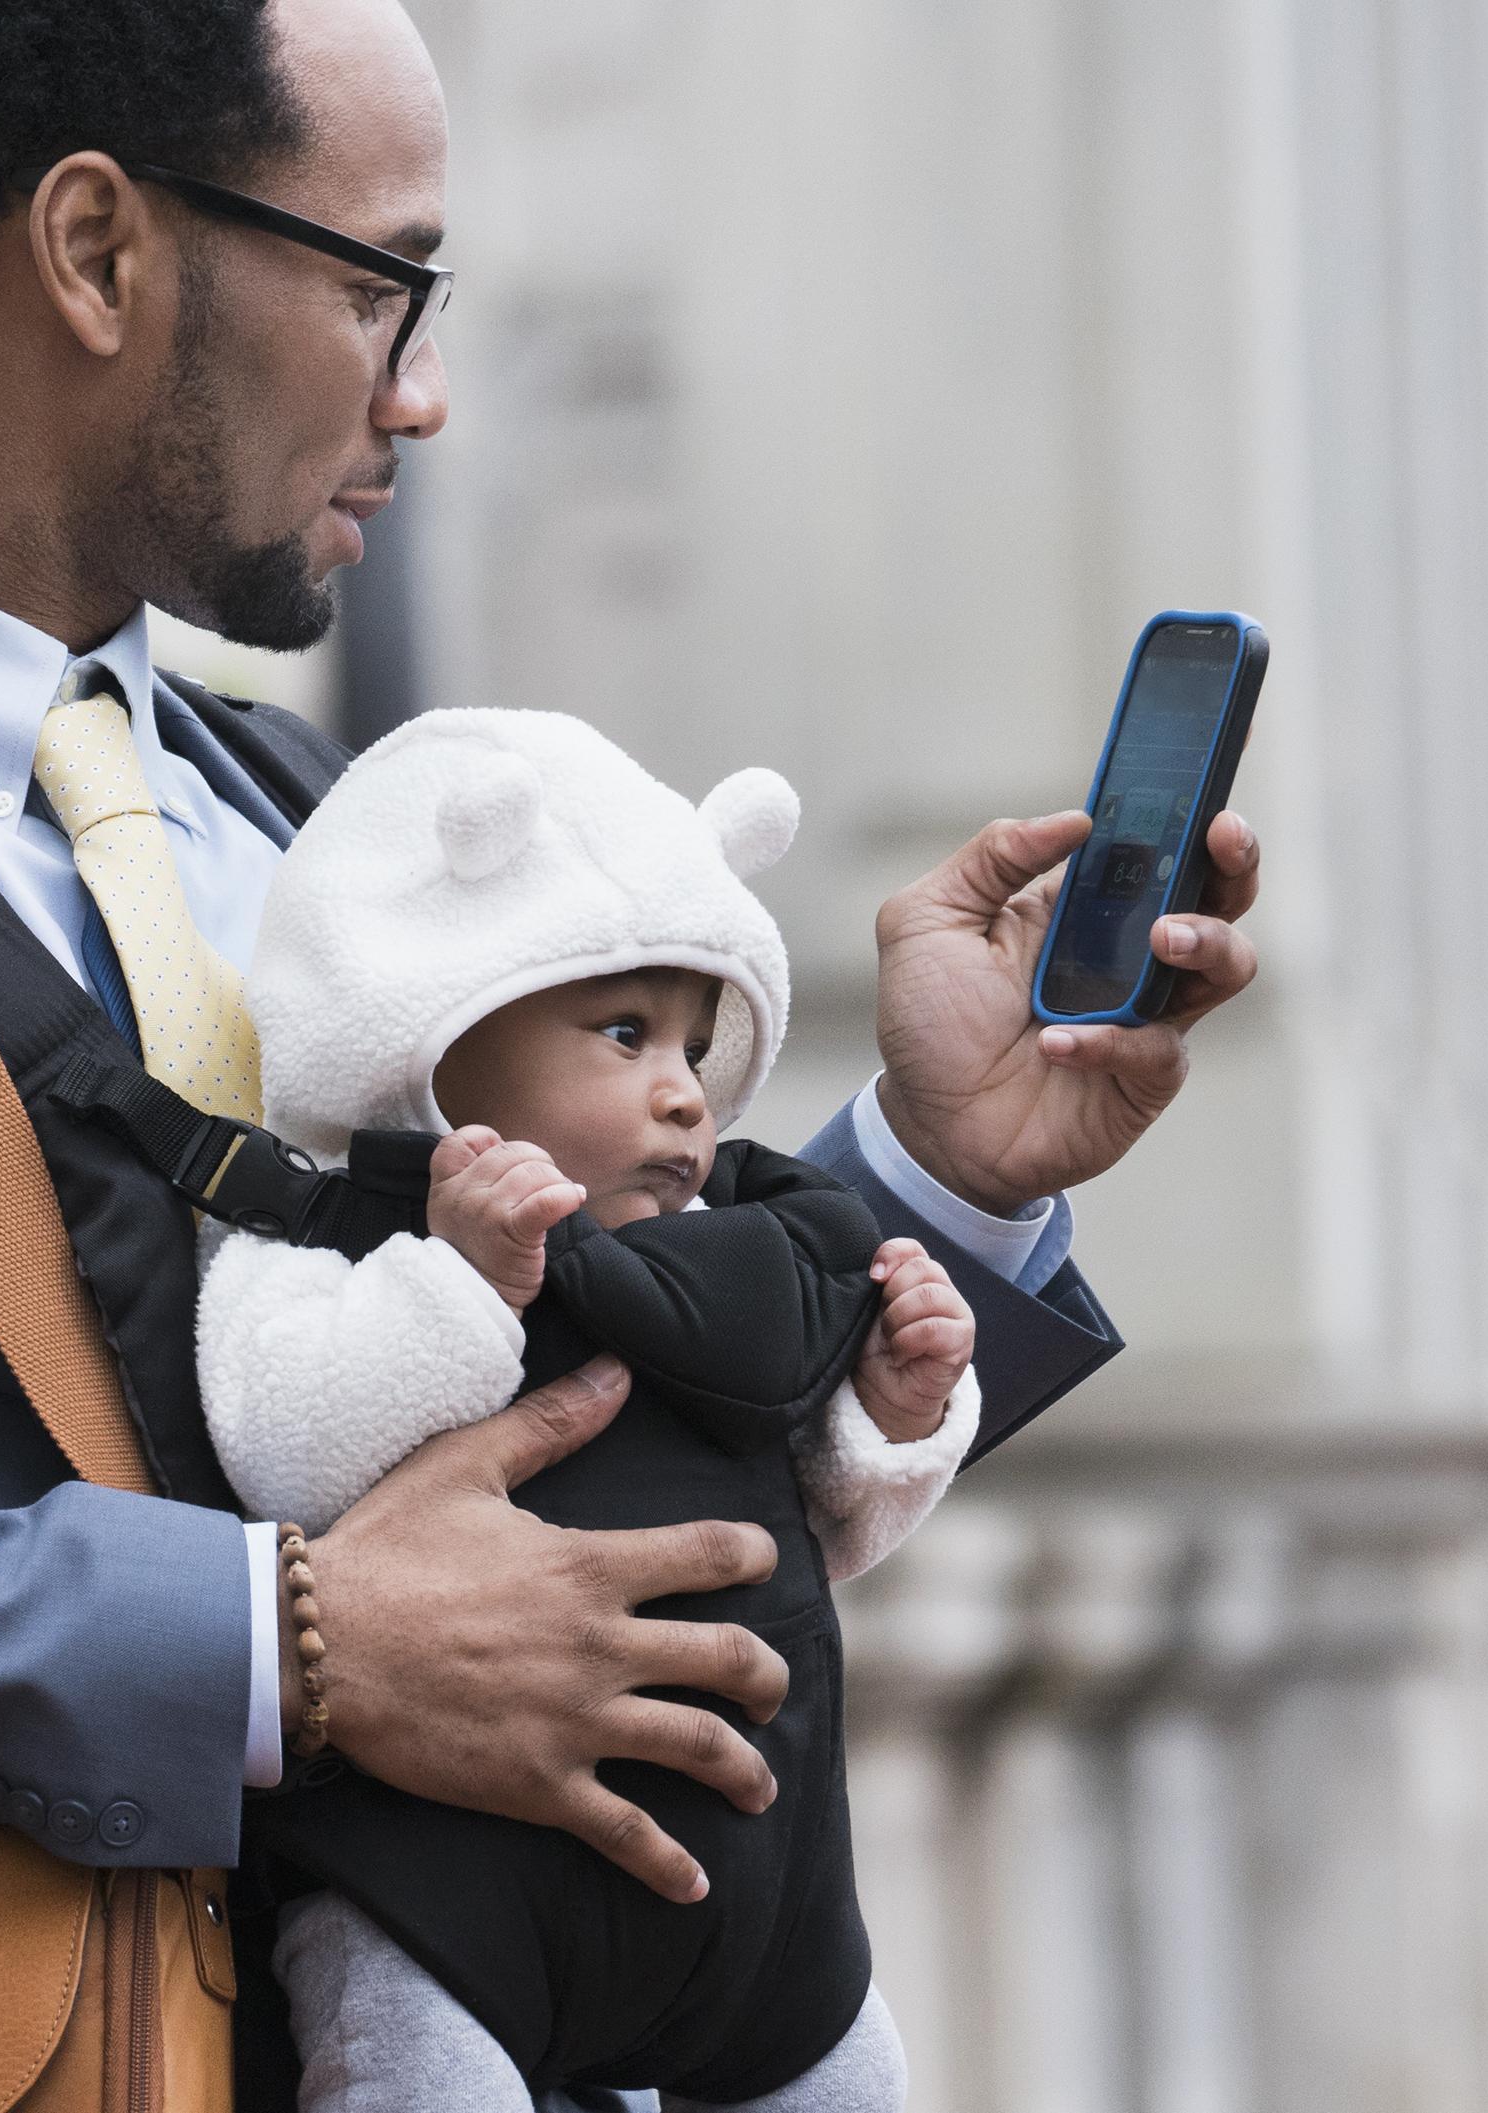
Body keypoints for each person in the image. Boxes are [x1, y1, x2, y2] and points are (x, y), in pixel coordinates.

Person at [0, 0, 1263, 2099]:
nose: (432, 392)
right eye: (382, 285)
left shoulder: (330, 829)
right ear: (102, 252)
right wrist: (280, 1643)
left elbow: (587, 1400)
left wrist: (943, 1175)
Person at [199, 712, 974, 2108]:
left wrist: (891, 1410)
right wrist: (458, 1294)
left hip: (763, 1909)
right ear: (440, 1023)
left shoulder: (741, 1254)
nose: (682, 1091)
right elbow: (280, 1443)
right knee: (413, 2062)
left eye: (693, 1036)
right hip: (449, 1897)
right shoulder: (335, 1244)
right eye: (622, 1032)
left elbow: (811, 1524)